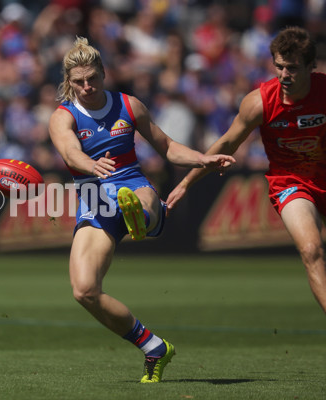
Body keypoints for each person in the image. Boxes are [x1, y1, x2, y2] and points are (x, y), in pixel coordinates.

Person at [48, 37, 235, 383]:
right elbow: (70, 153)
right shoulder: (63, 117)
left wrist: (201, 158)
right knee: (84, 290)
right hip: (94, 200)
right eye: (79, 82)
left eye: (93, 79)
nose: (87, 87)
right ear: (68, 83)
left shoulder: (129, 105)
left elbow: (167, 147)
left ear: (104, 74)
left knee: (140, 199)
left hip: (130, 183)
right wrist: (90, 166)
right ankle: (153, 347)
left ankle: (148, 216)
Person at [167, 26, 326, 314]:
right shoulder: (259, 102)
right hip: (291, 183)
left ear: (311, 66)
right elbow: (227, 142)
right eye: (279, 66)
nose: (284, 75)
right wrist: (186, 183)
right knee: (311, 249)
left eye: (292, 68)